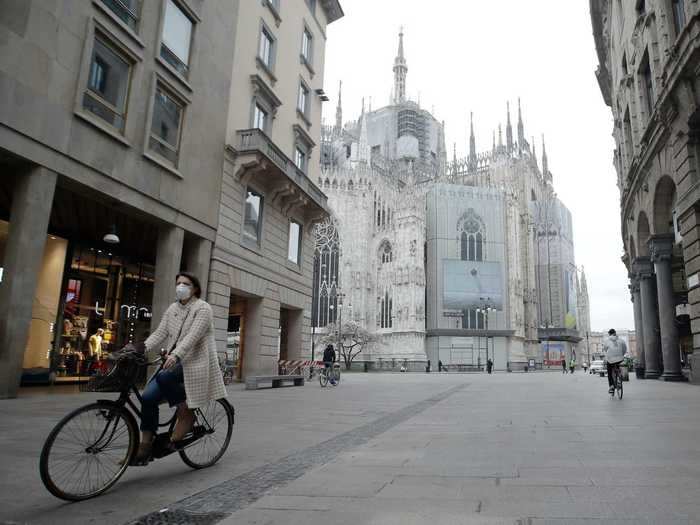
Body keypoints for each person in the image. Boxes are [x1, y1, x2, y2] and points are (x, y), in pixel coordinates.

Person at [134, 272, 227, 464]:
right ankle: (145, 444)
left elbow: (192, 337)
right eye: (178, 283)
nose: (181, 287)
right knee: (148, 398)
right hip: (173, 362)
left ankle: (186, 413)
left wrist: (176, 355)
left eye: (186, 284)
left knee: (164, 377)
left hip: (196, 362)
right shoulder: (173, 309)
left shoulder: (203, 308)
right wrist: (140, 349)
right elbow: (160, 333)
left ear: (195, 289)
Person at [603, 328, 627, 394]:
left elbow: (605, 349)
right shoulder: (621, 340)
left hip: (610, 359)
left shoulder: (607, 341)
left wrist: (607, 355)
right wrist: (622, 354)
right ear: (615, 333)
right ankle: (619, 376)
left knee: (609, 372)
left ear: (609, 334)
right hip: (620, 358)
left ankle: (611, 386)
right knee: (618, 364)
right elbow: (625, 348)